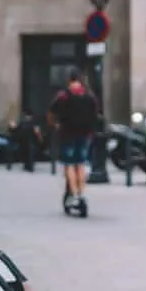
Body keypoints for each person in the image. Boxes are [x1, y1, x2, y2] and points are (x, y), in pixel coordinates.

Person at [47, 68, 99, 209]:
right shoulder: (90, 96)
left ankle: (74, 195)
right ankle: (81, 194)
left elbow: (51, 112)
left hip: (67, 133)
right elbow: (96, 114)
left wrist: (55, 125)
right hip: (85, 134)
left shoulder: (64, 95)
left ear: (70, 80)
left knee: (69, 164)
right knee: (81, 164)